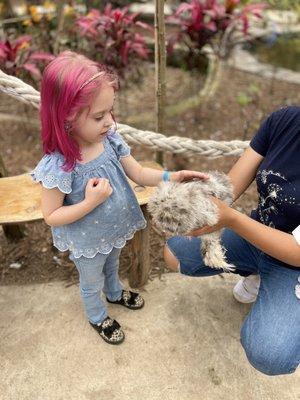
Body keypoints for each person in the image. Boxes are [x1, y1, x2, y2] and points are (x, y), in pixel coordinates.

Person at [30, 51, 208, 345]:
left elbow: (137, 172)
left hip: (113, 229)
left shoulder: (109, 138)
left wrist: (171, 176)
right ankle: (97, 315)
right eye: (99, 116)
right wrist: (89, 202)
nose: (110, 122)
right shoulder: (60, 165)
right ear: (65, 118)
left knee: (112, 264)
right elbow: (51, 215)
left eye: (111, 112)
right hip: (87, 241)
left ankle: (114, 293)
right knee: (90, 281)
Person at [164, 106, 300, 375]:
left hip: (294, 263)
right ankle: (258, 272)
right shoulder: (286, 120)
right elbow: (230, 185)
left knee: (270, 355)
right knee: (174, 254)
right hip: (258, 232)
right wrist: (199, 197)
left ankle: (280, 294)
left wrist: (232, 219)